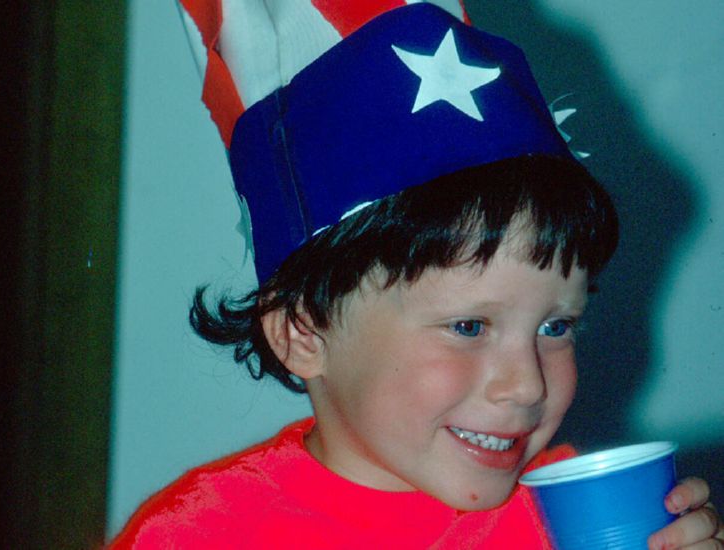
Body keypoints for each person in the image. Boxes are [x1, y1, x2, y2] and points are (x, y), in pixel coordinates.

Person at [111, 2, 722, 548]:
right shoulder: (202, 533)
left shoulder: (562, 521)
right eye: (468, 324)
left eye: (556, 325)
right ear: (302, 333)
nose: (527, 386)